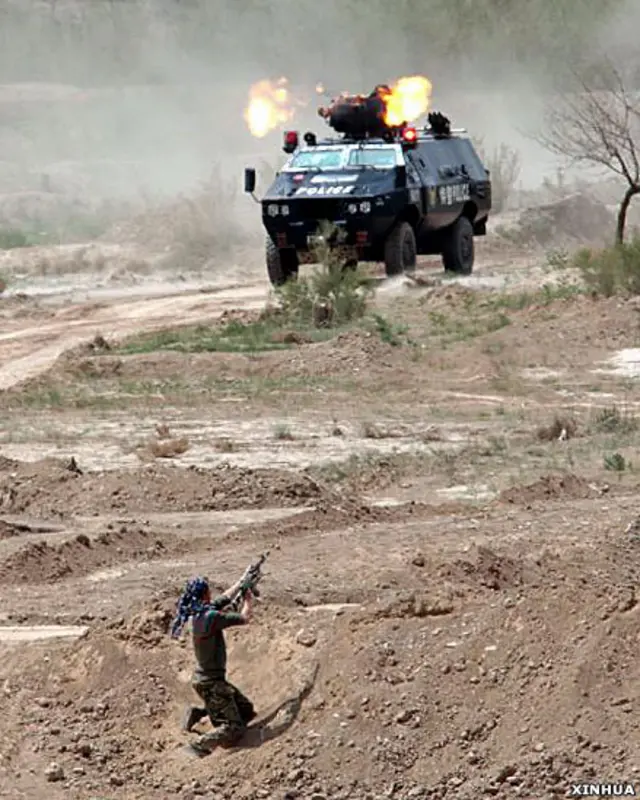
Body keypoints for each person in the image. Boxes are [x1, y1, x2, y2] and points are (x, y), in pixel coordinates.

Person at [170, 575, 256, 756]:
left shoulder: (200, 614)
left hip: (208, 681)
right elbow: (245, 617)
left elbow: (224, 597)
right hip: (212, 684)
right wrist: (248, 600)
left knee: (246, 711)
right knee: (235, 728)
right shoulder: (211, 617)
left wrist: (242, 582)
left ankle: (200, 713)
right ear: (205, 594)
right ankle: (198, 745)